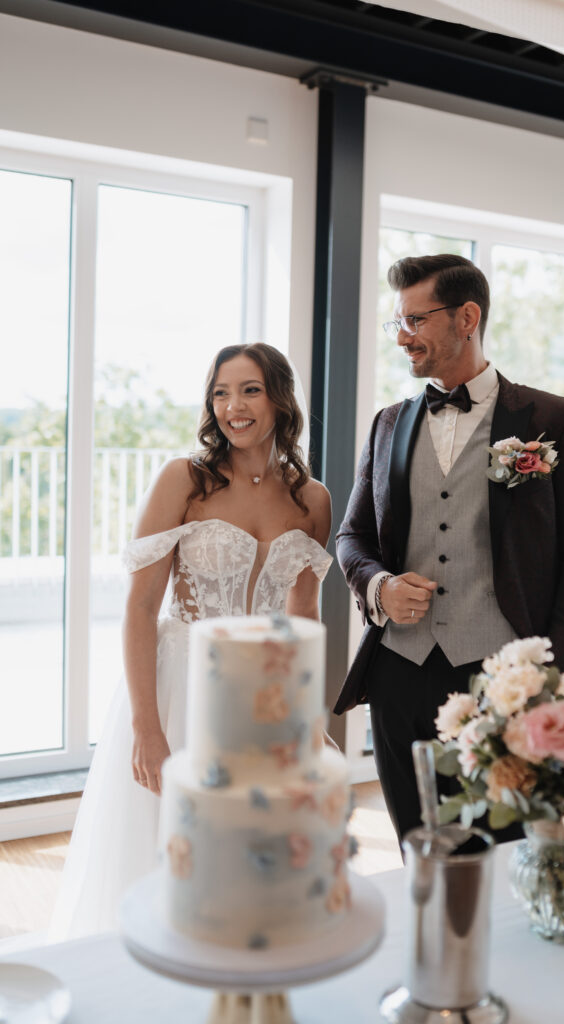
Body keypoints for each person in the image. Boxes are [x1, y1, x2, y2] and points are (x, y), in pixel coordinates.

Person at [50, 343, 332, 939]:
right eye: (221, 392)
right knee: (168, 855)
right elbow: (140, 607)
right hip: (181, 690)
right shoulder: (184, 480)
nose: (233, 405)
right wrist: (148, 729)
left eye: (250, 389)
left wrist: (306, 712)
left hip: (263, 697)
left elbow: (303, 613)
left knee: (249, 854)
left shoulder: (312, 499)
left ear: (280, 398)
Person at [334, 254, 564, 844]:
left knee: (505, 847)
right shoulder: (388, 424)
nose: (403, 337)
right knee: (420, 842)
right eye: (397, 323)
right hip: (399, 672)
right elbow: (352, 536)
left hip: (503, 674)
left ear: (467, 317)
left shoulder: (553, 420)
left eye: (416, 320)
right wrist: (378, 587)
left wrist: (555, 662)